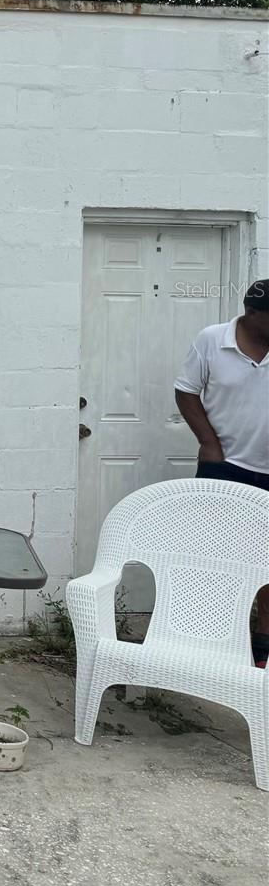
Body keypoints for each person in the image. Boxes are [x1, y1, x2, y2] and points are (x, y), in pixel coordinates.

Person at [174, 278, 269, 667]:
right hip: (224, 467)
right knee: (212, 557)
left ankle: (262, 648)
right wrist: (208, 443)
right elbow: (185, 390)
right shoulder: (212, 340)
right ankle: (204, 642)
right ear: (252, 314)